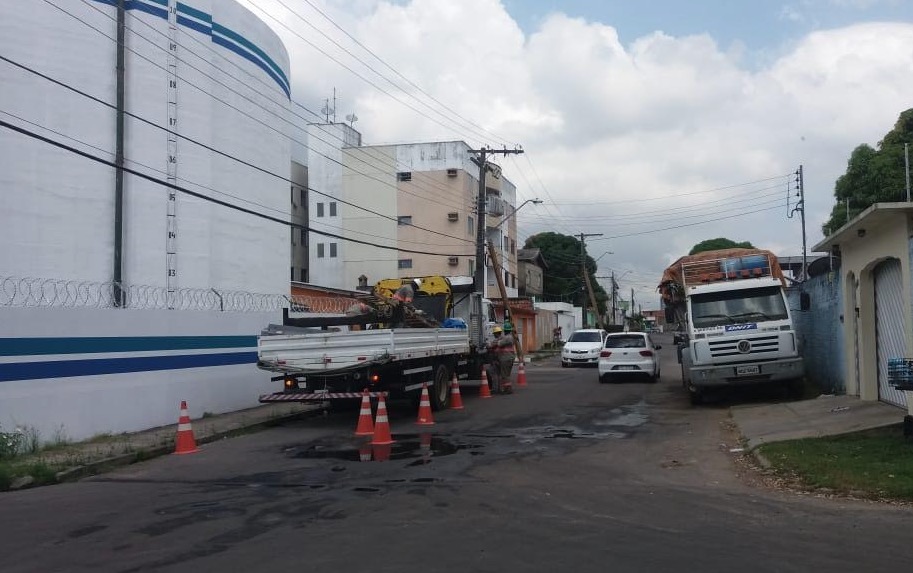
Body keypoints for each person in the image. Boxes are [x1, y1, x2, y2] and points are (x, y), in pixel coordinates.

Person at [492, 322, 516, 394]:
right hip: (509, 357)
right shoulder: (510, 337)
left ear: (505, 330)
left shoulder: (507, 338)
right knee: (507, 374)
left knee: (504, 375)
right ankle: (507, 388)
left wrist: (493, 344)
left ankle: (507, 389)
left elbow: (499, 344)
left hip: (505, 358)